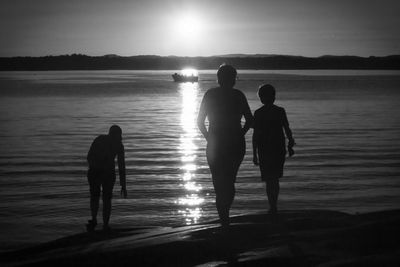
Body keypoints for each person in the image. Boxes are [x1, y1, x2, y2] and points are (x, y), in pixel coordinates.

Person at [197, 64, 253, 227]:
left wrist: (209, 138)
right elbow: (250, 120)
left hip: (215, 143)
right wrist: (239, 135)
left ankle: (224, 218)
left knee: (218, 182)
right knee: (230, 180)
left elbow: (200, 122)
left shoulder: (210, 94)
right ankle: (225, 216)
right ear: (234, 78)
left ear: (219, 78)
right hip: (235, 144)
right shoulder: (238, 95)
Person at [252, 84, 295, 214]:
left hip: (265, 149)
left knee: (269, 179)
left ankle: (272, 206)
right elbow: (287, 130)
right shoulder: (280, 111)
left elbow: (256, 135)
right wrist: (290, 145)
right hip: (277, 148)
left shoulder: (259, 113)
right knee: (274, 178)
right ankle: (273, 205)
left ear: (261, 98)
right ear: (274, 97)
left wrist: (254, 153)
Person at [86, 125, 127, 232]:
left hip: (106, 173)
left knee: (105, 199)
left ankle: (104, 224)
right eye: (118, 135)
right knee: (98, 197)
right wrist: (97, 166)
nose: (119, 137)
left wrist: (123, 185)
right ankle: (95, 220)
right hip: (96, 172)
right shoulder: (101, 140)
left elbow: (121, 165)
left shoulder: (118, 145)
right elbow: (90, 157)